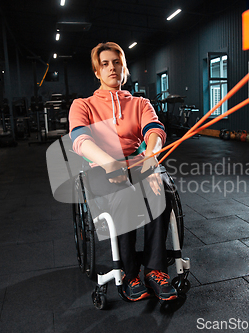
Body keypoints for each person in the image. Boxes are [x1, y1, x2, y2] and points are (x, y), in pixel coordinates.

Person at [69, 42, 178, 302]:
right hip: (102, 167)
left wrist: (151, 161)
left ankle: (155, 271)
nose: (111, 68)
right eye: (105, 64)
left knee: (161, 191)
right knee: (125, 196)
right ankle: (130, 275)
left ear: (124, 67)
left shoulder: (140, 103)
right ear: (97, 71)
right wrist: (108, 163)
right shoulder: (82, 105)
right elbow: (81, 140)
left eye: (116, 62)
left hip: (137, 162)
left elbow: (155, 131)